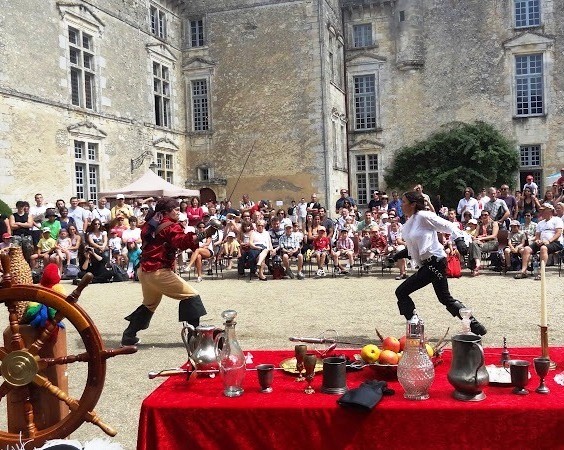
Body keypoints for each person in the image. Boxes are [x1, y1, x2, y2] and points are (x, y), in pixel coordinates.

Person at [392, 191, 487, 335]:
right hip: (430, 263)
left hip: (435, 262)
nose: (401, 204)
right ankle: (475, 326)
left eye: (404, 202)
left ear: (412, 204)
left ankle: (415, 326)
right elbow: (414, 249)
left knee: (401, 291)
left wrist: (459, 240)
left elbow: (450, 226)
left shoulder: (424, 216)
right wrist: (395, 256)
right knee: (445, 298)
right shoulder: (411, 222)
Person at [121, 197, 212, 346]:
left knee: (149, 304)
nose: (178, 212)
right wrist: (205, 233)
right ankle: (194, 338)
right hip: (157, 271)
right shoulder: (170, 226)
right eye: (175, 210)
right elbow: (182, 242)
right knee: (191, 296)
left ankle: (129, 335)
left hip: (144, 271)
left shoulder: (150, 223)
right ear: (166, 212)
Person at [514, 203, 563, 280]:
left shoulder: (557, 220)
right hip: (542, 241)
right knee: (526, 249)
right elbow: (537, 236)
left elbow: (558, 233)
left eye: (543, 210)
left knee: (543, 248)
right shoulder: (540, 223)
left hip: (555, 242)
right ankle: (523, 271)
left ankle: (541, 273)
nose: (541, 212)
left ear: (549, 210)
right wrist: (537, 240)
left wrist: (549, 241)